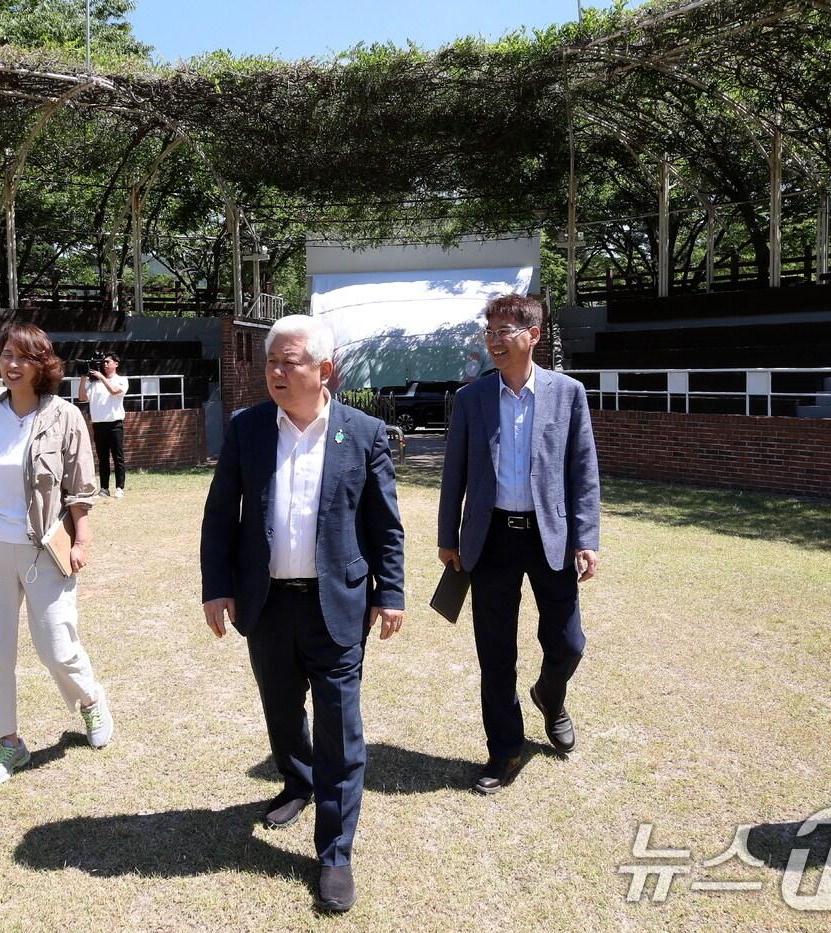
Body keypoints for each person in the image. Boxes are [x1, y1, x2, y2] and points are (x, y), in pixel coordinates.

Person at [200, 314, 405, 913]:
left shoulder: (363, 434)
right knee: (281, 707)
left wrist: (389, 593)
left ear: (325, 370)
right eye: (271, 362)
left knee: (341, 727)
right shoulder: (249, 430)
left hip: (335, 603)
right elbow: (221, 516)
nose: (278, 372)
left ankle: (335, 852)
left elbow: (384, 526)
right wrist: (217, 587)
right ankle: (297, 780)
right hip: (266, 604)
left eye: (290, 361)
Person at [437, 293, 600, 795]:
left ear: (532, 335)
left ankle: (550, 697)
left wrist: (586, 537)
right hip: (489, 540)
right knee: (495, 652)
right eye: (489, 333)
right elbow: (454, 473)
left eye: (504, 332)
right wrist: (448, 537)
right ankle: (504, 749)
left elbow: (582, 468)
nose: (493, 341)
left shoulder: (567, 392)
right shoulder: (472, 399)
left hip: (549, 537)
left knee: (568, 641)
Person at [0, 322, 114, 788]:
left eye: (23, 356)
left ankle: (89, 702)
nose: (12, 364)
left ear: (42, 364)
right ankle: (9, 743)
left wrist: (81, 540)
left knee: (57, 647)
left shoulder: (64, 416)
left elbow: (80, 489)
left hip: (45, 547)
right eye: (6, 354)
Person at [77, 351, 128, 499]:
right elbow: (81, 397)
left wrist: (101, 377)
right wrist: (83, 378)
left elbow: (114, 391)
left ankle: (120, 487)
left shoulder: (121, 380)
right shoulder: (94, 383)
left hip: (115, 424)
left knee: (118, 457)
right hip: (98, 425)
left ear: (116, 364)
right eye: (103, 362)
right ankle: (104, 488)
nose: (105, 364)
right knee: (102, 458)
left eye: (108, 362)